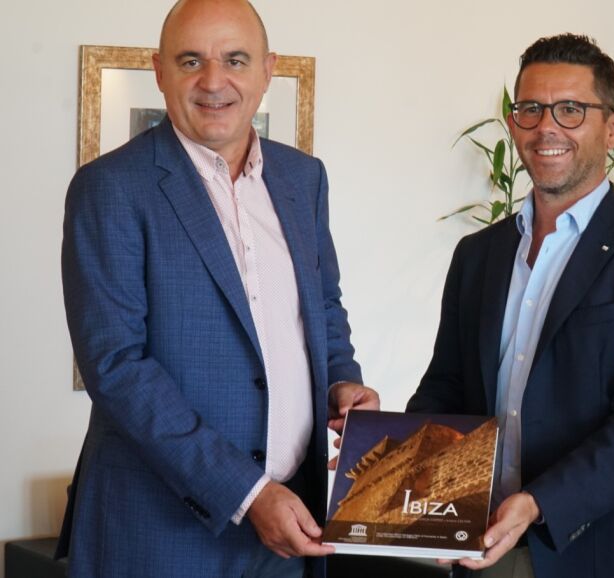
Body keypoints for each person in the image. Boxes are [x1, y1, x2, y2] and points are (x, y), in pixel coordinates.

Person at [57, 1, 379, 576]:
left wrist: (342, 381)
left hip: (294, 525)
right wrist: (248, 494)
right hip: (160, 534)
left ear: (267, 70)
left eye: (235, 60)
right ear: (159, 71)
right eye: (190, 61)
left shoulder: (304, 178)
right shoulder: (110, 187)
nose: (213, 81)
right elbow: (116, 366)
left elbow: (323, 308)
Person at [406, 34, 614, 578]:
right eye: (530, 109)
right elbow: (446, 387)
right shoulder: (477, 254)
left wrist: (539, 503)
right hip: (477, 547)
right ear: (513, 123)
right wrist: (392, 460)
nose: (546, 128)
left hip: (590, 553)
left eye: (571, 110)